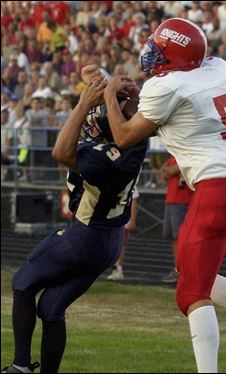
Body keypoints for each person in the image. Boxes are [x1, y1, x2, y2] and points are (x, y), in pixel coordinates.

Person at [102, 18, 226, 373]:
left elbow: (125, 135)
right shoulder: (216, 67)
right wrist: (130, 98)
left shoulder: (169, 85)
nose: (151, 55)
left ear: (174, 57)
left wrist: (110, 93)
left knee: (190, 293)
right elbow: (170, 105)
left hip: (216, 191)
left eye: (160, 50)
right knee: (197, 275)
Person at [2, 70, 147, 373]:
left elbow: (60, 152)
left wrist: (83, 105)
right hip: (109, 240)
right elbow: (116, 113)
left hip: (86, 236)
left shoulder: (99, 155)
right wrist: (101, 81)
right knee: (52, 307)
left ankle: (20, 366)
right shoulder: (133, 144)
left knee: (23, 282)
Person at [160, 155, 193, 283]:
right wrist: (168, 170)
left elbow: (169, 171)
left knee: (181, 237)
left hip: (183, 200)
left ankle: (185, 270)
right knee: (174, 237)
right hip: (171, 200)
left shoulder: (187, 155)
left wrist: (169, 170)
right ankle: (178, 268)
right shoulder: (173, 156)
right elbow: (162, 173)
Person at [107, 187, 139, 281]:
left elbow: (133, 200)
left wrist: (132, 219)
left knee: (119, 243)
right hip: (109, 215)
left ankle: (118, 269)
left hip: (121, 216)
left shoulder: (128, 178)